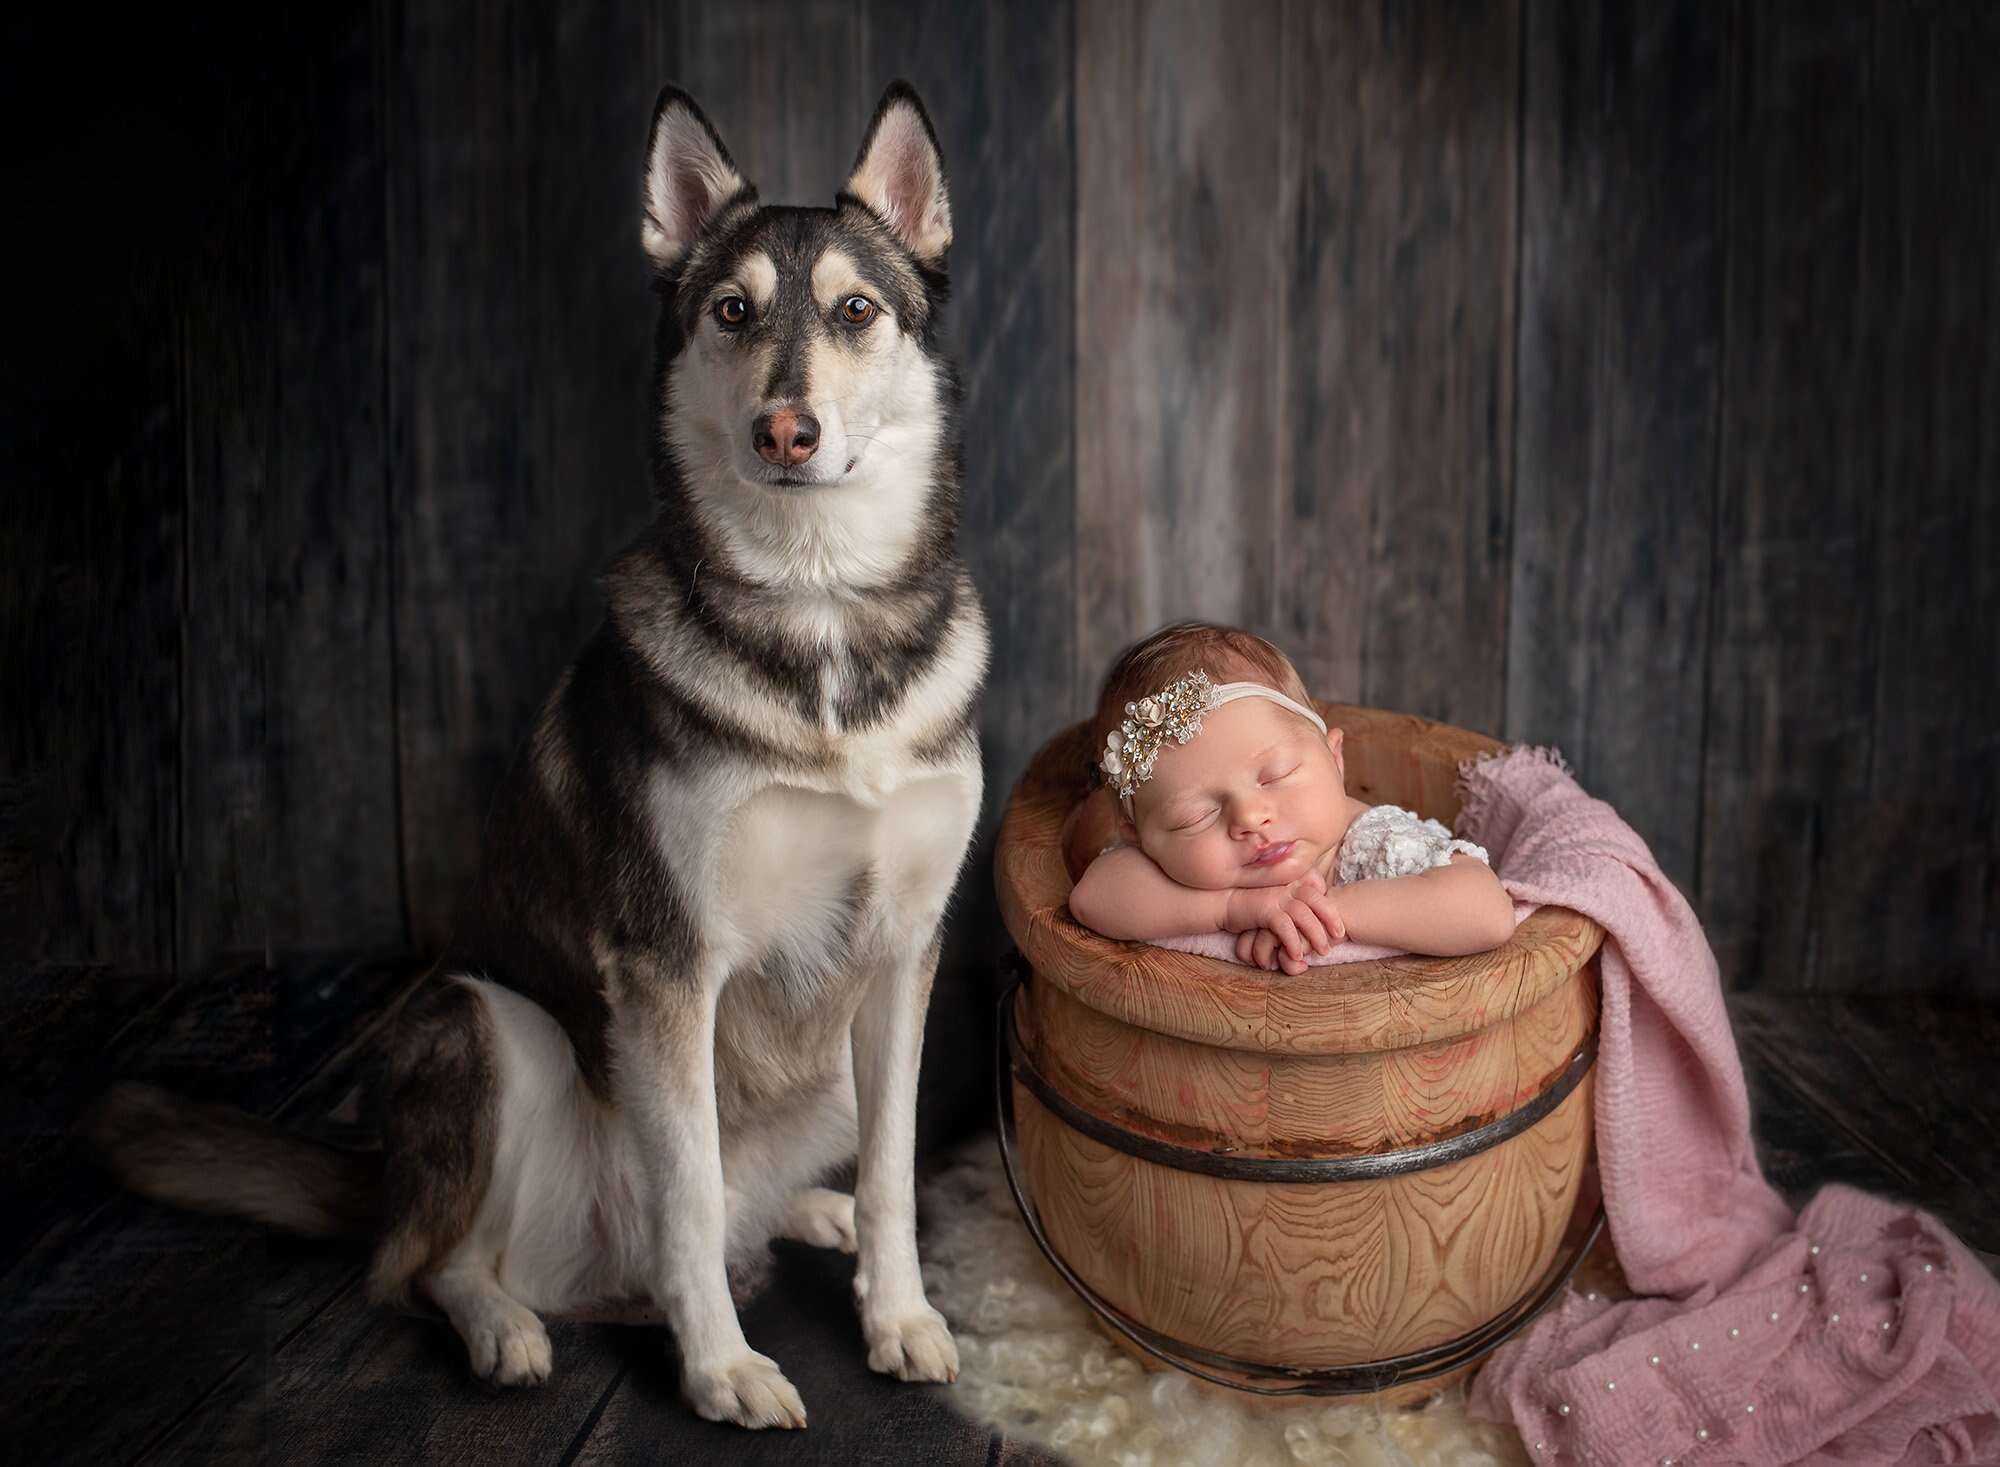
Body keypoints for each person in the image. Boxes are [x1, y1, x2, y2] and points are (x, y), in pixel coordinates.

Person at [1065, 623, 1515, 973]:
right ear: (1140, 836)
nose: (1250, 816)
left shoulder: (1368, 842)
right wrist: (1231, 909)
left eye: (1276, 776)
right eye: (1195, 816)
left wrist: (1325, 913)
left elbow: (1486, 911)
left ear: (1334, 759)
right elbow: (1093, 898)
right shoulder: (1175, 872)